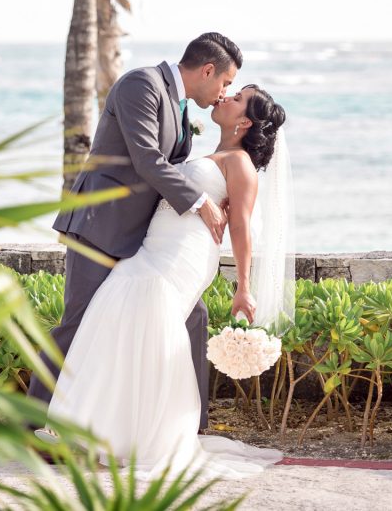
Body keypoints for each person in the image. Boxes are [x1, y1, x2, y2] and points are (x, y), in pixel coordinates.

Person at [38, 84, 292, 480]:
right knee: (116, 319)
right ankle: (102, 432)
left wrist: (244, 285)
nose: (225, 97)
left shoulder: (240, 164)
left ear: (245, 122)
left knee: (141, 317)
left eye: (237, 97)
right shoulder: (212, 154)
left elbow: (240, 227)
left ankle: (145, 438)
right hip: (155, 246)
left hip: (183, 255)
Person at [27, 32, 244, 434]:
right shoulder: (141, 85)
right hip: (100, 227)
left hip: (142, 241)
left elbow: (173, 167)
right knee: (76, 324)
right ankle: (30, 424)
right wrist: (201, 201)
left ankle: (189, 426)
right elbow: (147, 159)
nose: (223, 92)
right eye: (225, 83)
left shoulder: (179, 106)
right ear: (208, 70)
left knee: (192, 316)